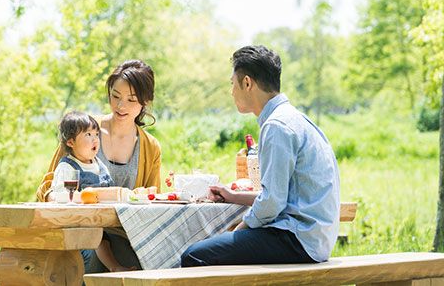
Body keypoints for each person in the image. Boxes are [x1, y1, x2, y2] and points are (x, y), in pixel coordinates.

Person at [180, 45, 340, 267]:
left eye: (232, 84)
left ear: (247, 83)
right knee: (217, 248)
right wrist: (233, 196)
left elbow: (272, 204)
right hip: (314, 238)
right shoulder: (295, 119)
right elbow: (280, 197)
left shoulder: (277, 126)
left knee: (194, 256)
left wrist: (240, 229)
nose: (231, 91)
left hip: (297, 240)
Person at [36, 59, 162, 272]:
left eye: (131, 100)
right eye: (115, 96)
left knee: (143, 262)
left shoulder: (150, 147)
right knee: (94, 258)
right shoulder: (84, 130)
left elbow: (152, 198)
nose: (120, 106)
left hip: (122, 234)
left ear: (145, 102)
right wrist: (62, 198)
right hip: (77, 229)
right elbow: (48, 185)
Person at [48, 111, 130, 272]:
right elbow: (56, 196)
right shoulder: (67, 167)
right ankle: (114, 267)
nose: (95, 139)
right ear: (71, 142)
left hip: (102, 223)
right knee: (97, 239)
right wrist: (85, 197)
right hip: (79, 226)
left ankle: (116, 268)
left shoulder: (99, 164)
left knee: (111, 239)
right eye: (88, 134)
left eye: (96, 134)